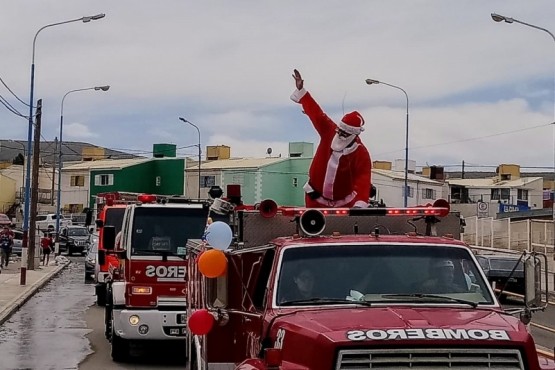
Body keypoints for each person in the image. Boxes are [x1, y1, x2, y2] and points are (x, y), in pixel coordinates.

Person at [291, 69, 372, 208]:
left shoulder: (361, 153)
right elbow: (317, 114)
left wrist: (359, 204)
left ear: (354, 135)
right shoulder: (329, 131)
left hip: (344, 203)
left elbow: (363, 179)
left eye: (345, 133)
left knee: (343, 229)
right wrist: (301, 90)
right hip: (315, 198)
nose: (340, 135)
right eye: (339, 130)